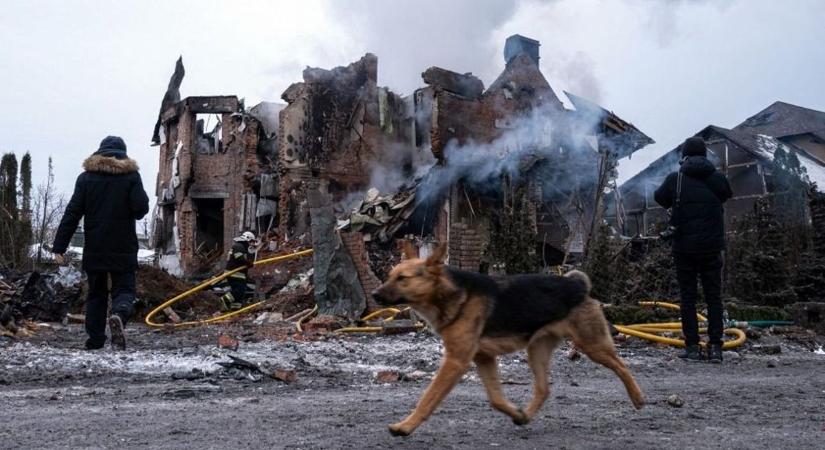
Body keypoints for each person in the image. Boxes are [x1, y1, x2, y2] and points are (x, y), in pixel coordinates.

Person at [53, 136, 150, 350]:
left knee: (96, 293)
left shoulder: (86, 178)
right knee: (124, 289)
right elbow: (141, 209)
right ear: (123, 155)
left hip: (95, 247)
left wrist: (59, 246)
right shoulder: (131, 177)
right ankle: (118, 315)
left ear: (99, 153)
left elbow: (72, 212)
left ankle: (95, 339)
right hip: (123, 246)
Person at [654, 137, 733, 363]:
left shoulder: (675, 180)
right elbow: (727, 195)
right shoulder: (717, 179)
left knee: (688, 299)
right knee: (714, 298)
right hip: (711, 248)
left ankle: (692, 348)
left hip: (684, 249)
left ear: (684, 157)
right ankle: (716, 347)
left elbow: (659, 198)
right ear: (706, 156)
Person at [219, 231, 260, 311]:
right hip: (235, 274)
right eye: (251, 241)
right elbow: (239, 258)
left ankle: (235, 308)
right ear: (247, 239)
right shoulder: (239, 246)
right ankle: (225, 299)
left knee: (240, 292)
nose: (251, 244)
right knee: (240, 290)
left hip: (237, 274)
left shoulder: (240, 246)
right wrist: (249, 264)